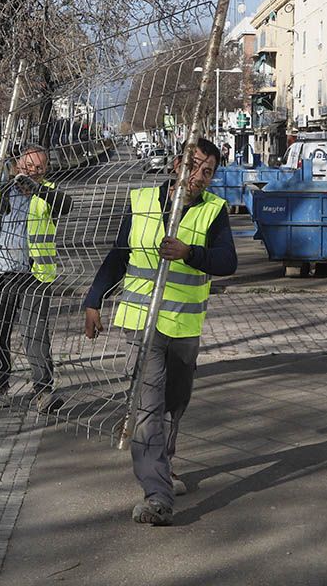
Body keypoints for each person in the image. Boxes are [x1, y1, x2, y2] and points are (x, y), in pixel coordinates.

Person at [83, 138, 237, 527]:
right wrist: (93, 300)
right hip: (142, 324)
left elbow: (228, 262)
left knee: (175, 403)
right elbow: (117, 257)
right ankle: (156, 495)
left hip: (184, 328)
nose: (199, 177)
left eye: (208, 171)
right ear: (176, 165)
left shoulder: (213, 211)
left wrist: (191, 253)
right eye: (195, 166)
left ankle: (163, 466)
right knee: (147, 409)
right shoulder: (141, 202)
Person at [0, 145, 72, 410]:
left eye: (38, 168)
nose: (31, 172)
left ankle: (43, 392)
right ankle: (0, 387)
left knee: (35, 335)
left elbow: (66, 205)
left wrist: (37, 188)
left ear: (45, 171)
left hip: (34, 276)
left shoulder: (48, 193)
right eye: (27, 167)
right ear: (16, 167)